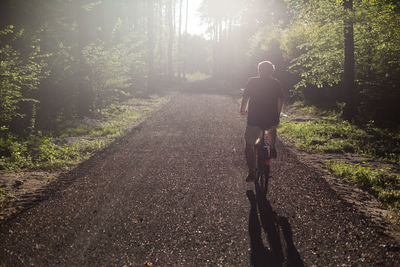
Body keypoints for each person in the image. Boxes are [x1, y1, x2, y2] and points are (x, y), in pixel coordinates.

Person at [240, 61, 283, 182]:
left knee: (249, 145)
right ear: (272, 71)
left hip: (254, 117)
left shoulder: (252, 81)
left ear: (259, 70)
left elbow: (245, 97)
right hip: (271, 117)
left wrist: (243, 109)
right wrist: (277, 113)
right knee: (271, 127)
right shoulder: (275, 83)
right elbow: (281, 99)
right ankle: (272, 147)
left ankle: (251, 171)